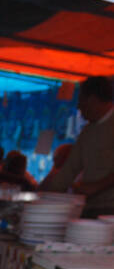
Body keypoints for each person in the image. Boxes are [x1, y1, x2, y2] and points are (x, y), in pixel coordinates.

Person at [39, 77, 114, 215]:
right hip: (90, 207)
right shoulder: (87, 132)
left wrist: (97, 186)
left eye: (80, 101)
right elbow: (69, 170)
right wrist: (41, 198)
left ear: (92, 100)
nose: (78, 107)